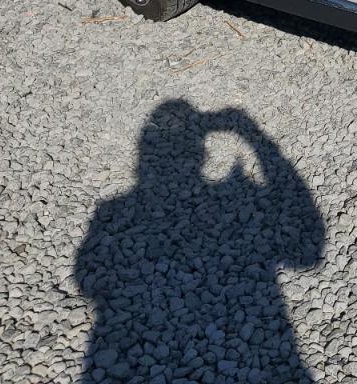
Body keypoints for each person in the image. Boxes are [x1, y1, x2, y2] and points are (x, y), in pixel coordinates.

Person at [74, 100, 325, 383]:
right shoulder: (112, 210)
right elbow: (308, 252)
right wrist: (254, 136)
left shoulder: (111, 210)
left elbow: (86, 280)